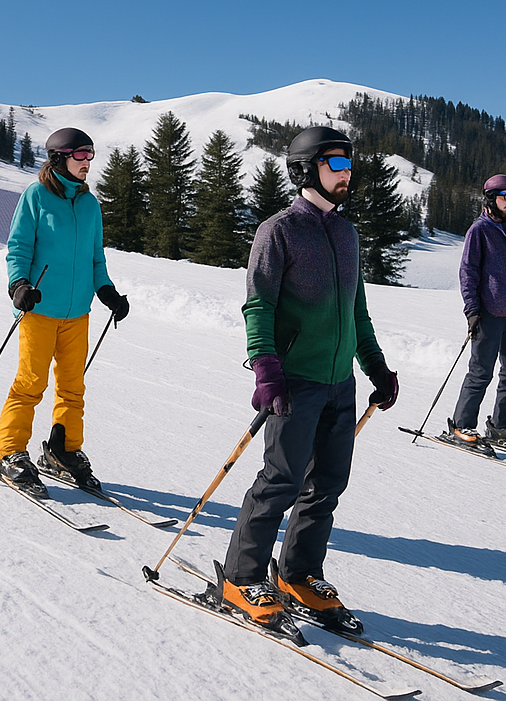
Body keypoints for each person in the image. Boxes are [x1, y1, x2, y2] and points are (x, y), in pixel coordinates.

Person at [220, 126, 398, 634]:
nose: (347, 174)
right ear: (306, 169)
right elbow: (258, 305)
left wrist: (375, 367)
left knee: (326, 487)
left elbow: (356, 311)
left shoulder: (346, 233)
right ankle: (241, 576)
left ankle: (299, 574)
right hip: (296, 381)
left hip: (341, 382)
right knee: (281, 481)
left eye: (349, 164)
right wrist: (266, 368)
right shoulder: (278, 231)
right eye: (336, 164)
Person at [0, 127, 129, 499]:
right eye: (80, 155)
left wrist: (107, 291)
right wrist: (19, 285)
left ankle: (62, 450)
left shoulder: (90, 205)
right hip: (40, 310)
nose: (87, 163)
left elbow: (95, 258)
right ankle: (10, 450)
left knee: (72, 387)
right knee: (30, 383)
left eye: (90, 155)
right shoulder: (36, 197)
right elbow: (17, 247)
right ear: (58, 158)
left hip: (77, 314)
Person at [449, 173, 506, 453]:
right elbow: (468, 272)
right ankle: (461, 425)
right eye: (505, 196)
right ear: (491, 198)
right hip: (489, 314)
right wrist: (473, 311)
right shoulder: (479, 231)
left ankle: (503, 426)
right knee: (481, 373)